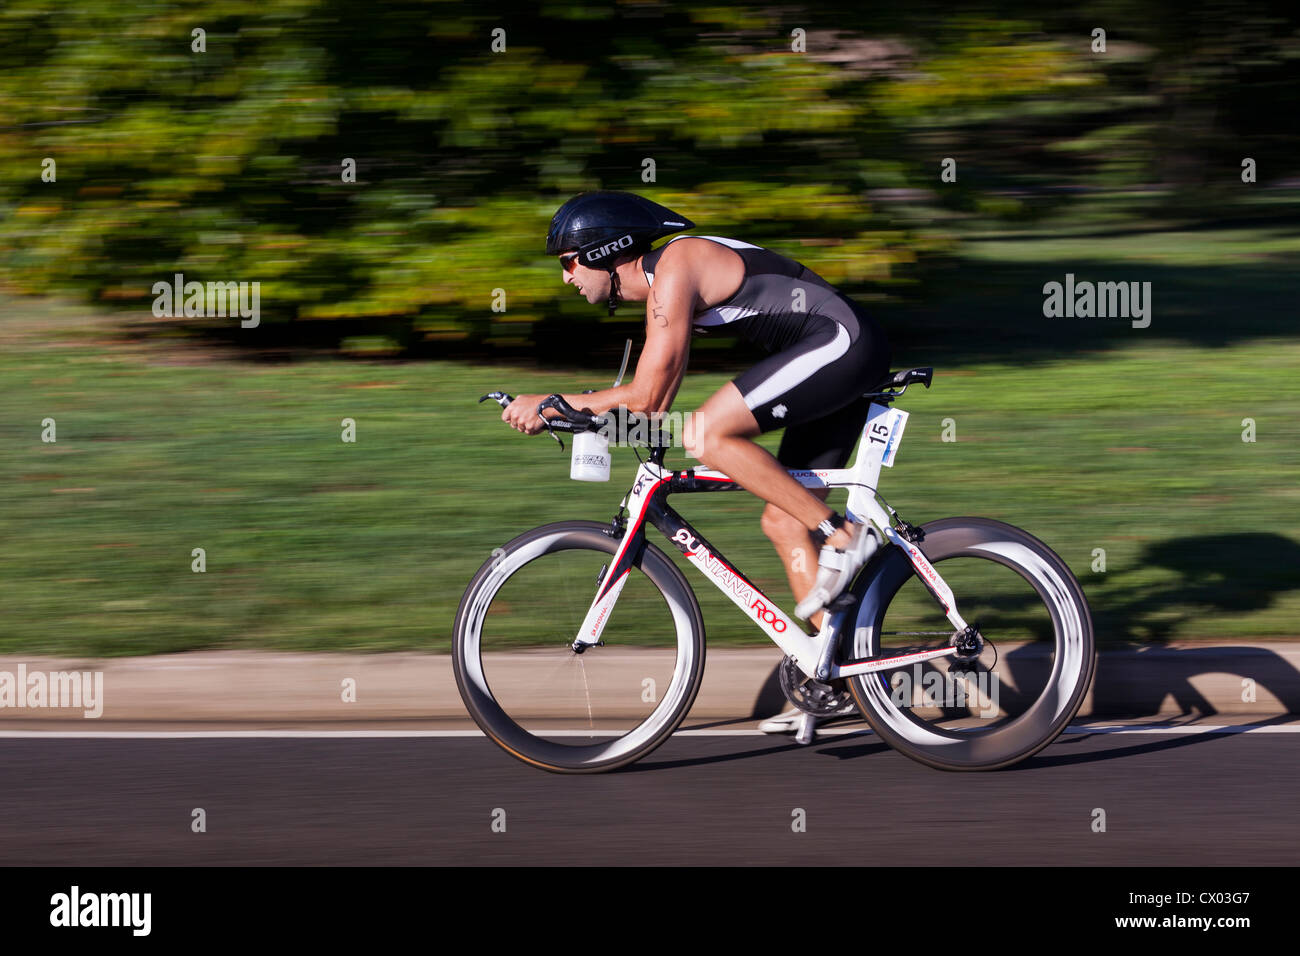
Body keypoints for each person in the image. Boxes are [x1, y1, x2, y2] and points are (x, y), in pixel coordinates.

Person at [502, 191, 891, 723]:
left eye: (567, 263)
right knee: (782, 518)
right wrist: (581, 414)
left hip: (842, 343)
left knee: (706, 435)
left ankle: (846, 536)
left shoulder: (676, 266)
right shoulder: (666, 287)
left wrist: (551, 405)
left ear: (601, 251)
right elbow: (653, 402)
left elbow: (647, 398)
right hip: (833, 355)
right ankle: (836, 674)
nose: (565, 277)